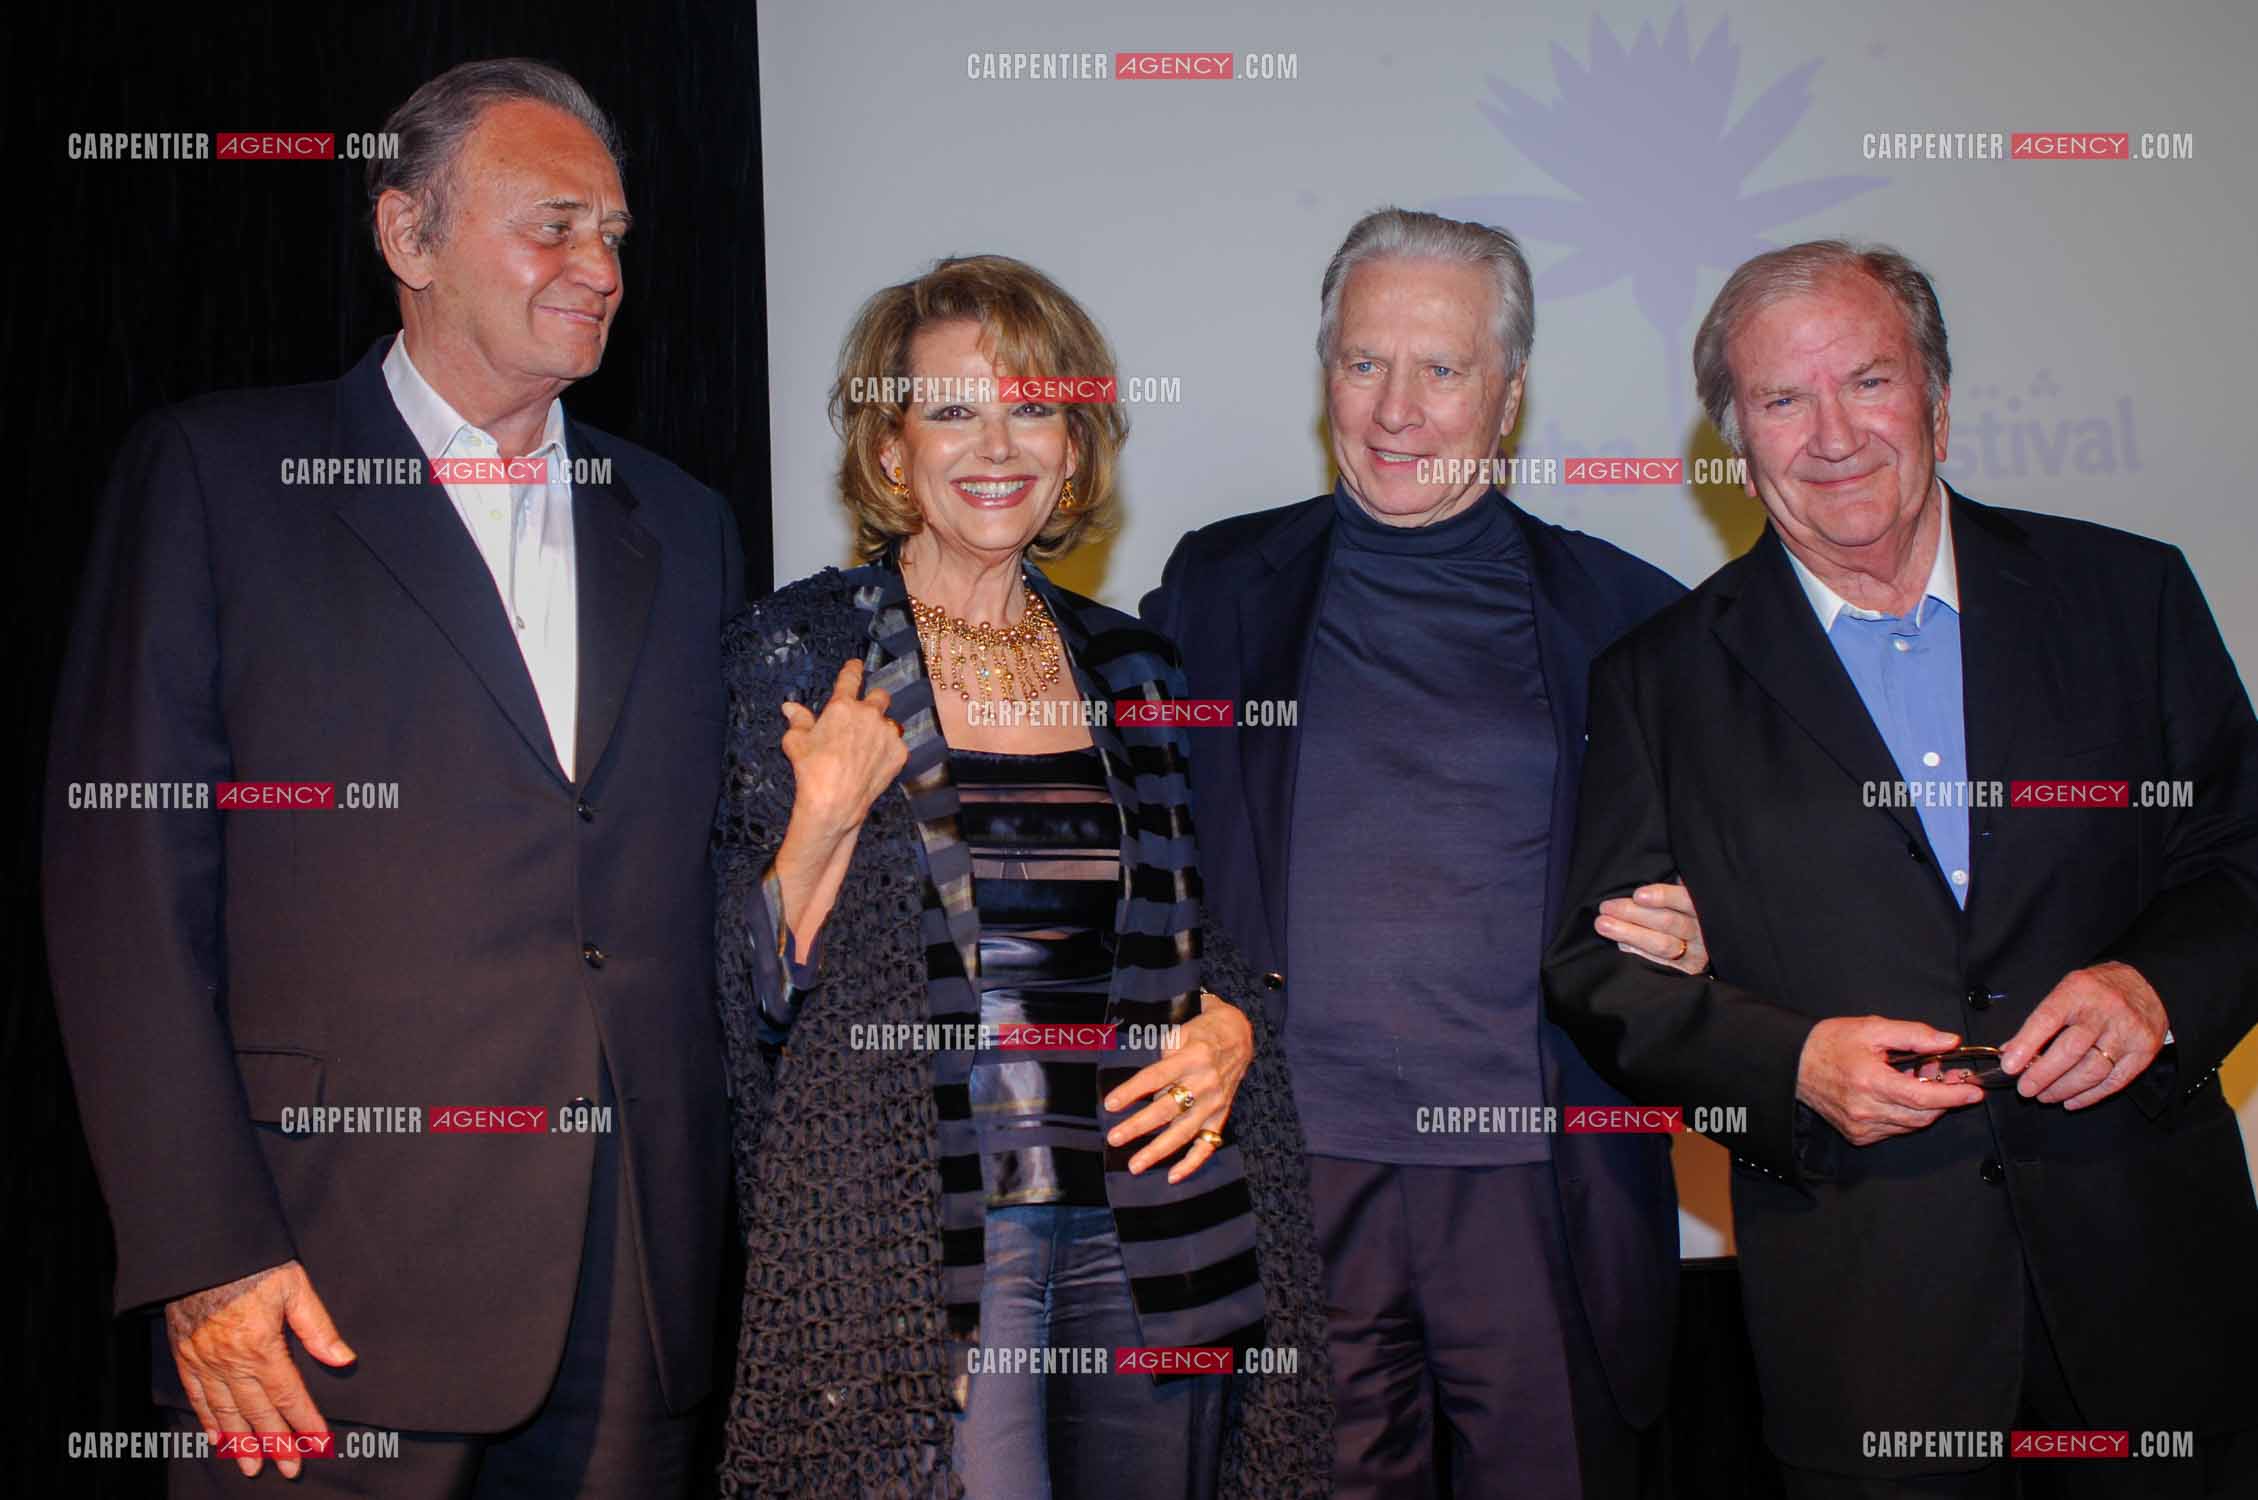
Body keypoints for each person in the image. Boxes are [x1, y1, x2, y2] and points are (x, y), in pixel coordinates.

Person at [43, 60, 742, 1497]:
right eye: (552, 225)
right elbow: (121, 891)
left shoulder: (681, 522)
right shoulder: (217, 477)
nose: (597, 269)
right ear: (407, 238)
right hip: (317, 1291)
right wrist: (202, 1248)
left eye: (613, 235)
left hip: (635, 1293)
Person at [1543, 239, 2258, 1498]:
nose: (1830, 435)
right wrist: (1787, 1066)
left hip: (2153, 1290)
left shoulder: (2124, 596)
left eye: (1866, 382)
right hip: (1869, 1323)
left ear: (1935, 394)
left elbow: (2239, 861)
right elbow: (1602, 974)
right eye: (1780, 400)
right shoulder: (1655, 682)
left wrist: (2152, 992)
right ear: (1733, 441)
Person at [711, 253, 1332, 1498]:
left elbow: (1211, 940)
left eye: (1031, 406)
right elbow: (738, 998)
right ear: (891, 449)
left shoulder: (1136, 667)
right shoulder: (797, 648)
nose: (994, 444)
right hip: (925, 1236)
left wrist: (1231, 1031)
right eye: (950, 410)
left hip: (1152, 1221)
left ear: (1073, 445)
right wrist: (822, 817)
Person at [1140, 207, 1701, 1499]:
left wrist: (1714, 922)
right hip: (1289, 1167)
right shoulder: (1217, 588)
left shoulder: (1626, 618)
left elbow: (1737, 862)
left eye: (1441, 371)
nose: (1395, 409)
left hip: (1535, 1179)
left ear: (1506, 396)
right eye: (1360, 363)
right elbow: (1146, 841)